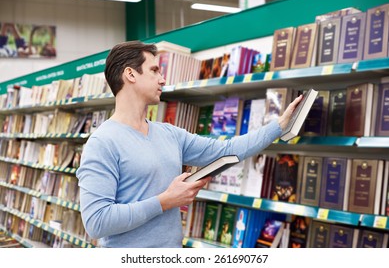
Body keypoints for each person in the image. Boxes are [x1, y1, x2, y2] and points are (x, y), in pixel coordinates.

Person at [76, 40, 303, 248]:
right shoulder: (102, 143)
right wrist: (164, 201)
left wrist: (279, 126)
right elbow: (97, 222)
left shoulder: (170, 135)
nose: (163, 79)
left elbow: (227, 151)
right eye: (154, 70)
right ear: (130, 74)